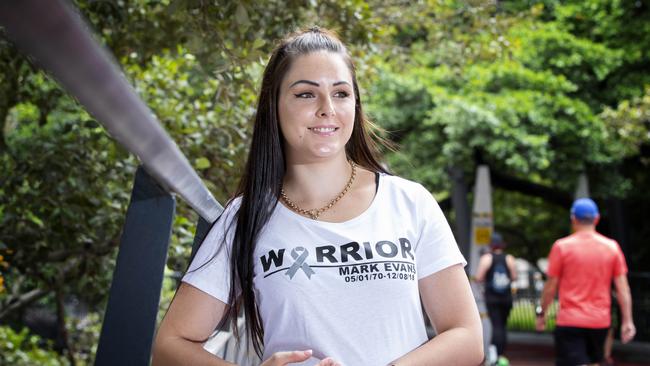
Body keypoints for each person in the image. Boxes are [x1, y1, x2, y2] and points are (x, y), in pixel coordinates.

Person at [152, 27, 483, 366]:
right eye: (306, 94)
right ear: (274, 105)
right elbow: (170, 346)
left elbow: (467, 337)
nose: (327, 108)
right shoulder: (247, 217)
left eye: (341, 93)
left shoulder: (409, 202)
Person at [536, 198, 635, 366]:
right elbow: (623, 289)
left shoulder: (562, 247)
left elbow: (550, 286)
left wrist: (542, 313)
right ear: (596, 219)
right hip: (600, 322)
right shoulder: (612, 247)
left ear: (573, 219)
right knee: (594, 361)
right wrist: (627, 320)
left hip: (570, 320)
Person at [475, 232, 517, 366]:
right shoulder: (509, 258)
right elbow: (514, 276)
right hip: (506, 297)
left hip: (492, 297)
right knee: (503, 326)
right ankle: (501, 354)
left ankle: (495, 356)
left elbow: (479, 277)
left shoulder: (487, 258)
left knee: (496, 325)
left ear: (491, 245)